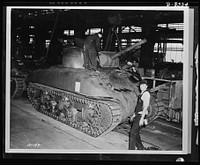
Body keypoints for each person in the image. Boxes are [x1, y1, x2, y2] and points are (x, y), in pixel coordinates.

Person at [129, 79, 150, 150]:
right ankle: (141, 148)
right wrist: (134, 115)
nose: (142, 86)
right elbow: (138, 106)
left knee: (132, 133)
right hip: (138, 114)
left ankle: (131, 151)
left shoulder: (146, 94)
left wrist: (142, 118)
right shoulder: (142, 93)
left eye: (144, 85)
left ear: (146, 86)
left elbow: (145, 106)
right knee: (136, 133)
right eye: (141, 85)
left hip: (141, 115)